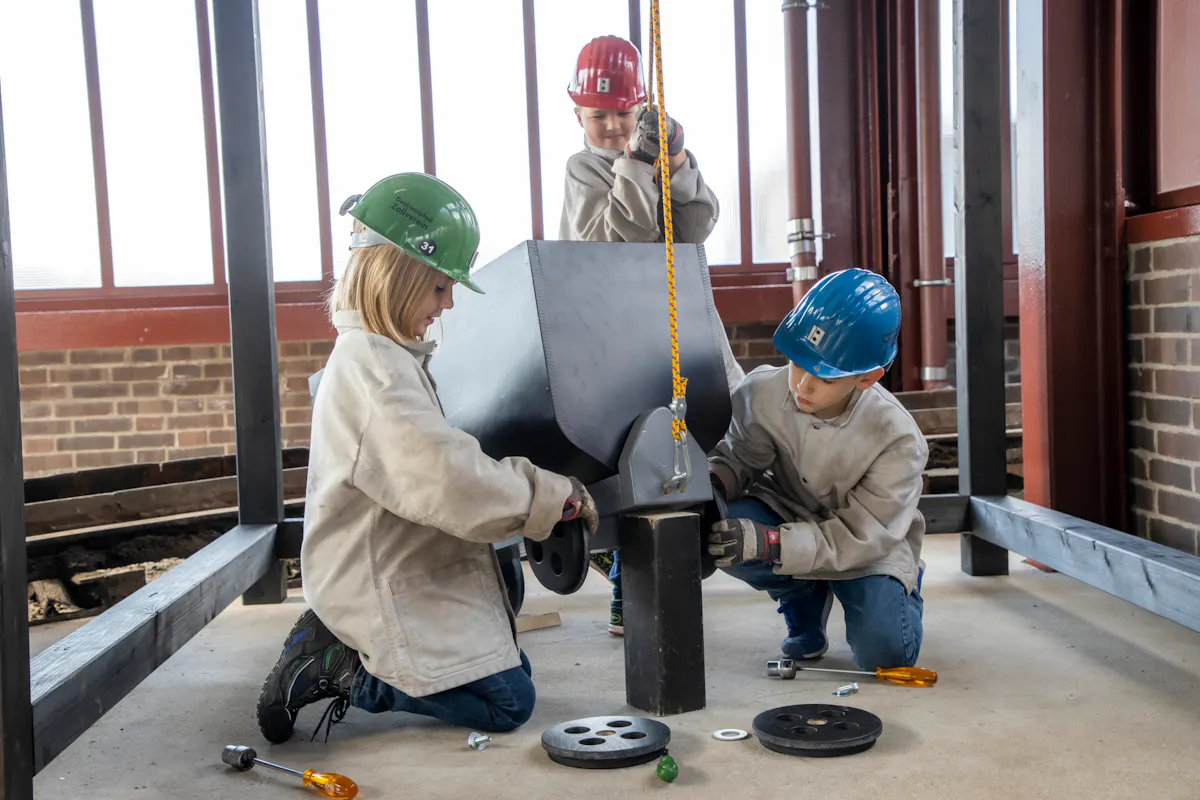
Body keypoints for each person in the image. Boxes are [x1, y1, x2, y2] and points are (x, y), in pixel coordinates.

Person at [256, 173, 599, 744]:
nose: (447, 304)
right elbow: (450, 484)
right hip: (375, 571)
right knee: (507, 704)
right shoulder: (374, 368)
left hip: (401, 549)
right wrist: (548, 493)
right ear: (398, 276)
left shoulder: (383, 355)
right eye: (439, 288)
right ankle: (341, 666)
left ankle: (352, 646)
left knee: (504, 647)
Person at [560, 34, 745, 636]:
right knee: (631, 453)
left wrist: (678, 164)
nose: (613, 126)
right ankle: (624, 577)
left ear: (642, 107)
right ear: (577, 114)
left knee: (690, 441)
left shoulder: (654, 155)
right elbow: (619, 238)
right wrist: (638, 167)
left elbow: (694, 228)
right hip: (621, 332)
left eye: (624, 113)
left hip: (679, 323)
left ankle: (678, 562)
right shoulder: (584, 169)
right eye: (598, 116)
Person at [705, 269, 928, 670]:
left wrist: (772, 544)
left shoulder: (898, 440)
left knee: (886, 657)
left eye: (823, 375)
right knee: (719, 526)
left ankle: (899, 589)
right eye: (796, 363)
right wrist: (713, 484)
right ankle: (802, 595)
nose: (803, 385)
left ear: (868, 377)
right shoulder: (761, 394)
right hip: (789, 516)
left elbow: (865, 534)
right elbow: (739, 457)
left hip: (867, 544)